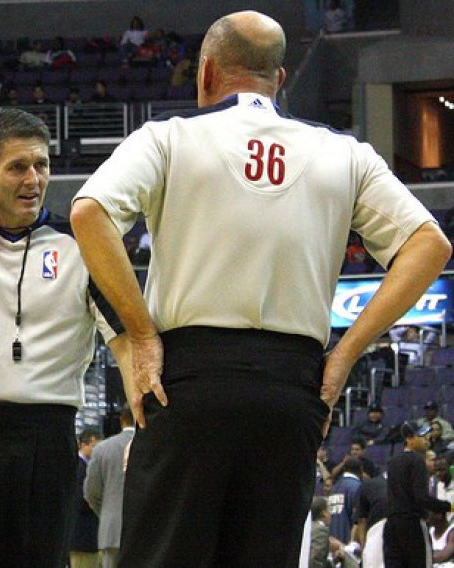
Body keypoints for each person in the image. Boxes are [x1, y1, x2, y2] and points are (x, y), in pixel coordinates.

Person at [69, 9, 452, 567]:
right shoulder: (345, 152)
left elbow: (89, 213)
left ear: (205, 75)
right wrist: (345, 355)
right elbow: (431, 245)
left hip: (187, 381)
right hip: (292, 384)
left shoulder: (169, 137)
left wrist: (142, 335)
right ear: (280, 80)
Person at [0, 108, 129, 568]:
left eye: (41, 165)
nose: (34, 179)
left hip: (46, 436)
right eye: (18, 167)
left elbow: (125, 340)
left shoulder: (81, 245)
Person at [384, 421, 454, 567]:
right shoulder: (417, 460)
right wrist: (449, 506)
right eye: (421, 435)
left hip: (391, 526)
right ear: (409, 438)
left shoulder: (392, 462)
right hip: (412, 525)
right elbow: (422, 497)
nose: (426, 439)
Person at [84, 404, 136, 568]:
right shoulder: (155, 446)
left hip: (111, 530)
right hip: (147, 530)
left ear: (121, 420)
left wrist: (107, 512)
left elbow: (91, 492)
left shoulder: (102, 449)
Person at [70, 428, 102, 568]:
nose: (98, 451)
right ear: (84, 445)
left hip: (89, 536)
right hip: (82, 537)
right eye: (95, 446)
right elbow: (80, 500)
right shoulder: (78, 467)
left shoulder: (88, 466)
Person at [328, 458, 363, 543]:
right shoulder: (357, 487)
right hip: (347, 544)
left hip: (331, 542)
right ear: (361, 469)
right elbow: (358, 520)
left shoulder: (334, 487)